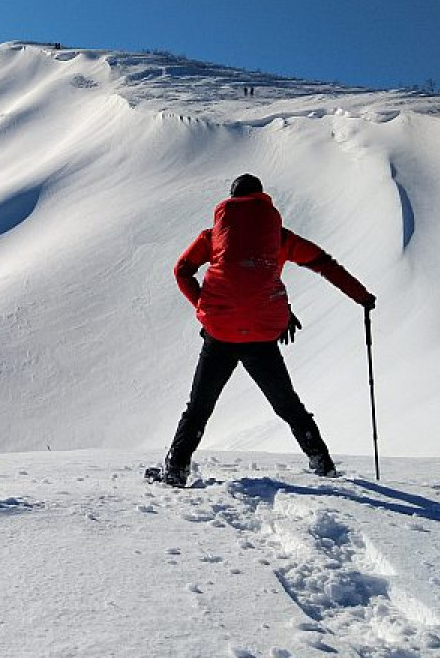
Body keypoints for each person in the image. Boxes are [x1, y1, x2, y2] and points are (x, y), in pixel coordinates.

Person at [161, 174, 376, 486]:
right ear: (263, 200)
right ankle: (323, 464)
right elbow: (324, 264)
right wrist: (362, 297)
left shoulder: (211, 237)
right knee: (288, 405)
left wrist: (204, 307)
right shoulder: (280, 238)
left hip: (219, 334)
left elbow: (182, 270)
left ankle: (176, 468)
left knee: (199, 407)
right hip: (262, 336)